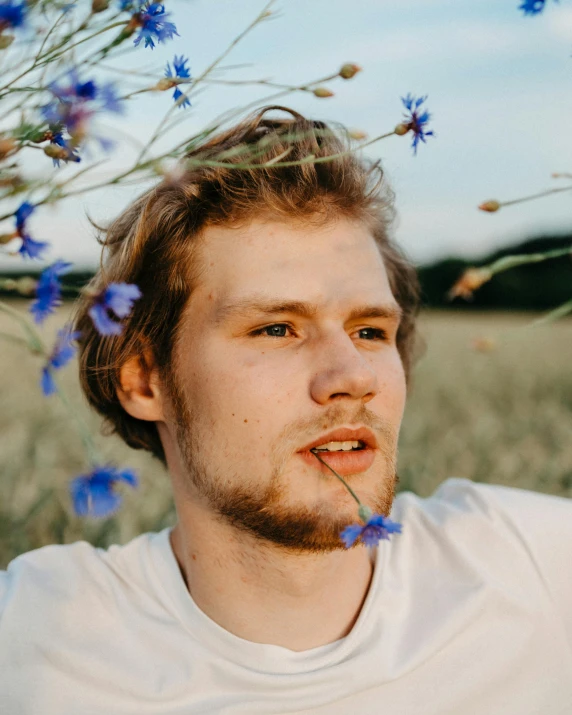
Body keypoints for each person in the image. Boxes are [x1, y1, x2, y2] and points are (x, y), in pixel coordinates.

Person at [1, 106, 571, 715]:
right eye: (276, 328)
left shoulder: (535, 561)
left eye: (371, 331)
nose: (353, 376)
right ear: (144, 380)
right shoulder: (36, 637)